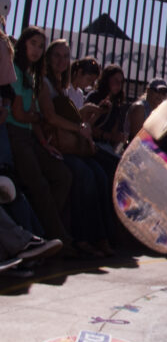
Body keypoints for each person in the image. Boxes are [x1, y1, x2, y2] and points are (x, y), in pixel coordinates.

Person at [40, 40, 117, 256]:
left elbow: (76, 121)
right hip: (55, 144)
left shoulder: (63, 88)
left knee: (100, 175)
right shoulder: (46, 84)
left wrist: (91, 116)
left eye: (65, 56)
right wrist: (80, 123)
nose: (62, 61)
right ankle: (84, 237)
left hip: (71, 144)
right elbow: (51, 117)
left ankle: (102, 235)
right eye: (57, 56)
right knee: (85, 175)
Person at [5, 26, 73, 249]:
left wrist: (45, 143)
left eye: (40, 46)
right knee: (38, 184)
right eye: (32, 43)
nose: (36, 49)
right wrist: (35, 117)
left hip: (31, 136)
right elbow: (20, 114)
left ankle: (43, 227)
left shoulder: (32, 75)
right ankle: (57, 238)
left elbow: (33, 118)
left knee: (62, 175)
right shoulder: (13, 69)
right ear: (23, 43)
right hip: (15, 134)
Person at [126, 77, 167, 143]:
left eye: (163, 93)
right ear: (148, 90)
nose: (160, 95)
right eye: (157, 91)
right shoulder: (140, 108)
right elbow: (136, 138)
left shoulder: (159, 112)